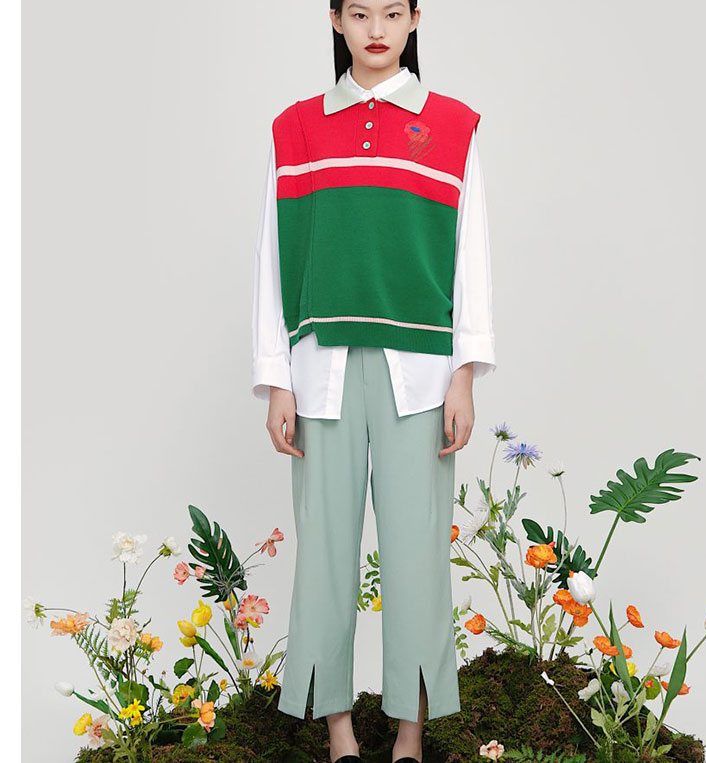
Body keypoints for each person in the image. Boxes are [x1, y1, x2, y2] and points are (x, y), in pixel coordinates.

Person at [251, 2, 496, 761]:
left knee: (418, 556)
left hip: (420, 375)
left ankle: (410, 735)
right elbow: (272, 257)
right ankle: (339, 732)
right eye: (360, 13)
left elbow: (471, 253)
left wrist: (465, 374)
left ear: (416, 18)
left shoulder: (452, 126)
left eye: (393, 12)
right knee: (324, 554)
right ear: (335, 21)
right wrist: (277, 378)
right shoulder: (297, 129)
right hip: (319, 368)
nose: (377, 30)